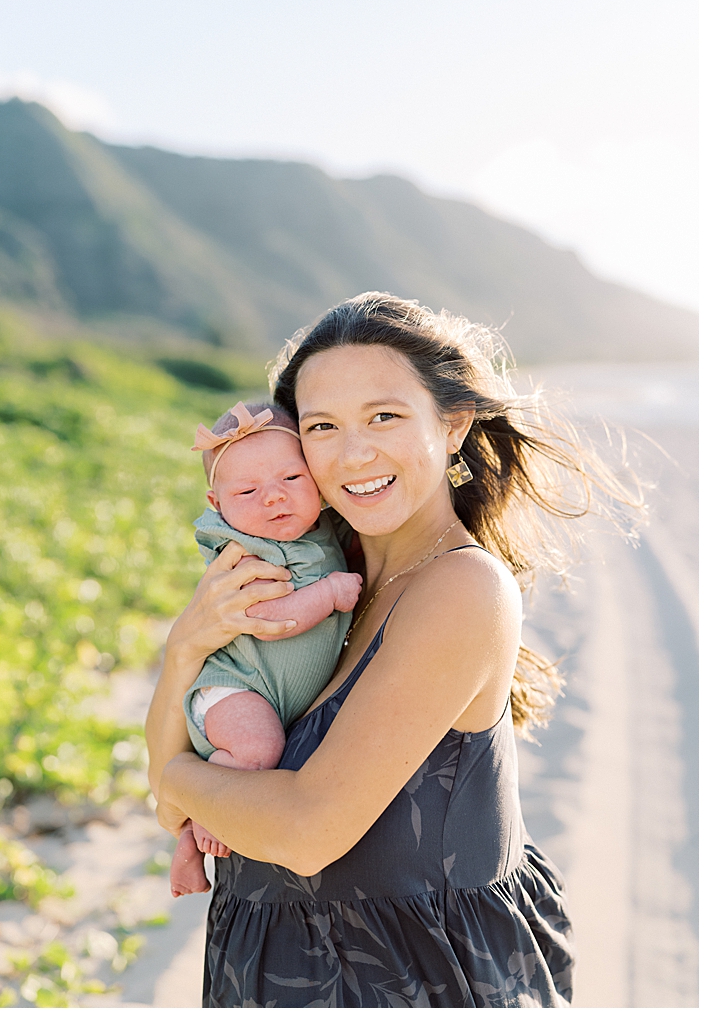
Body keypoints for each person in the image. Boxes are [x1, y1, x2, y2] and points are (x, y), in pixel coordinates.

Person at [146, 293, 641, 1007]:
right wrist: (185, 646)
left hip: (412, 979)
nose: (354, 453)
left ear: (453, 423)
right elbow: (175, 795)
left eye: (384, 416)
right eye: (322, 426)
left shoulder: (461, 589)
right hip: (276, 967)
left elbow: (305, 828)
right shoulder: (318, 570)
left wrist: (173, 773)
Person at [169, 399, 362, 898]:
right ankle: (207, 811)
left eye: (292, 480)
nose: (274, 499)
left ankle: (190, 842)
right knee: (258, 751)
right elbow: (262, 618)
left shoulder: (313, 533)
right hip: (234, 690)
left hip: (268, 694)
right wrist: (330, 594)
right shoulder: (249, 552)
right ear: (217, 505)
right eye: (248, 491)